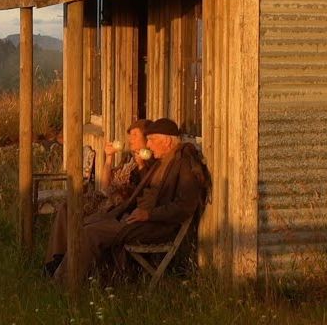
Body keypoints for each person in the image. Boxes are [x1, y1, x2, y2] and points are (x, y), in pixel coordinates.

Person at [56, 117, 210, 283]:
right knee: (86, 223)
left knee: (90, 234)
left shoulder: (184, 163)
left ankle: (65, 283)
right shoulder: (162, 161)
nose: (148, 145)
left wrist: (149, 214)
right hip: (137, 218)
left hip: (156, 226)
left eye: (151, 140)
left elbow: (184, 207)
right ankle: (62, 270)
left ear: (166, 140)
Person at [43, 119, 154, 276]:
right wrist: (108, 158)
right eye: (130, 135)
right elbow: (104, 185)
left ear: (146, 137)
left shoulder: (149, 161)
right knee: (66, 207)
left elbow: (144, 191)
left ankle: (68, 264)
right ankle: (57, 258)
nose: (130, 139)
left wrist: (141, 165)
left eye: (135, 135)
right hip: (104, 198)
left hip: (115, 207)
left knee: (79, 217)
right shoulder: (128, 158)